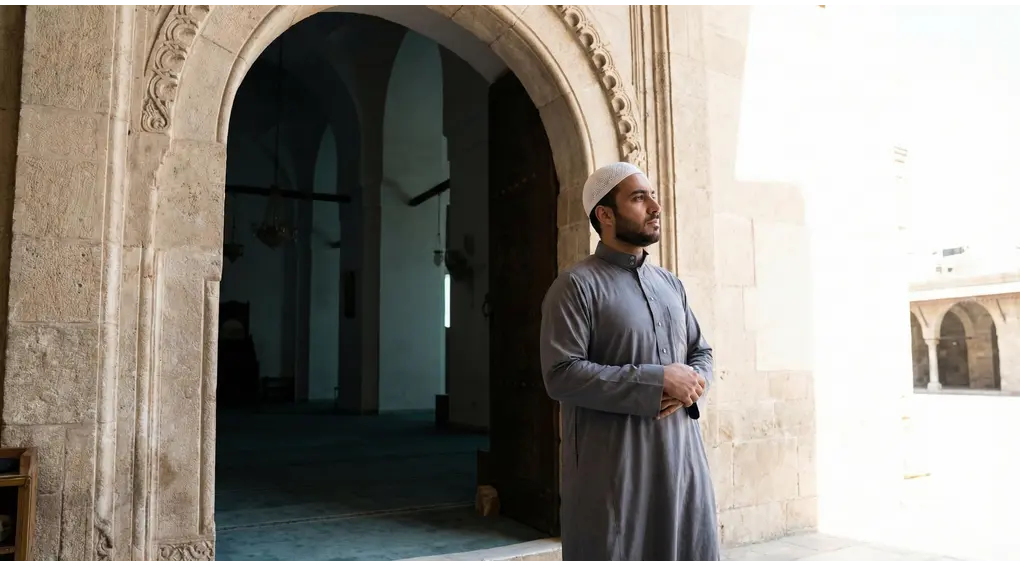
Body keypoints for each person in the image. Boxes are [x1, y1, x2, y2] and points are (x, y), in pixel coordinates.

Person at [539, 161, 720, 564]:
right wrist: (657, 379)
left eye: (653, 195)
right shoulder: (575, 287)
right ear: (605, 214)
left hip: (682, 463)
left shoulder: (670, 284)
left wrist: (690, 387)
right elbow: (560, 374)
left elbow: (701, 353)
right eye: (639, 198)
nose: (655, 206)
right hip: (615, 472)